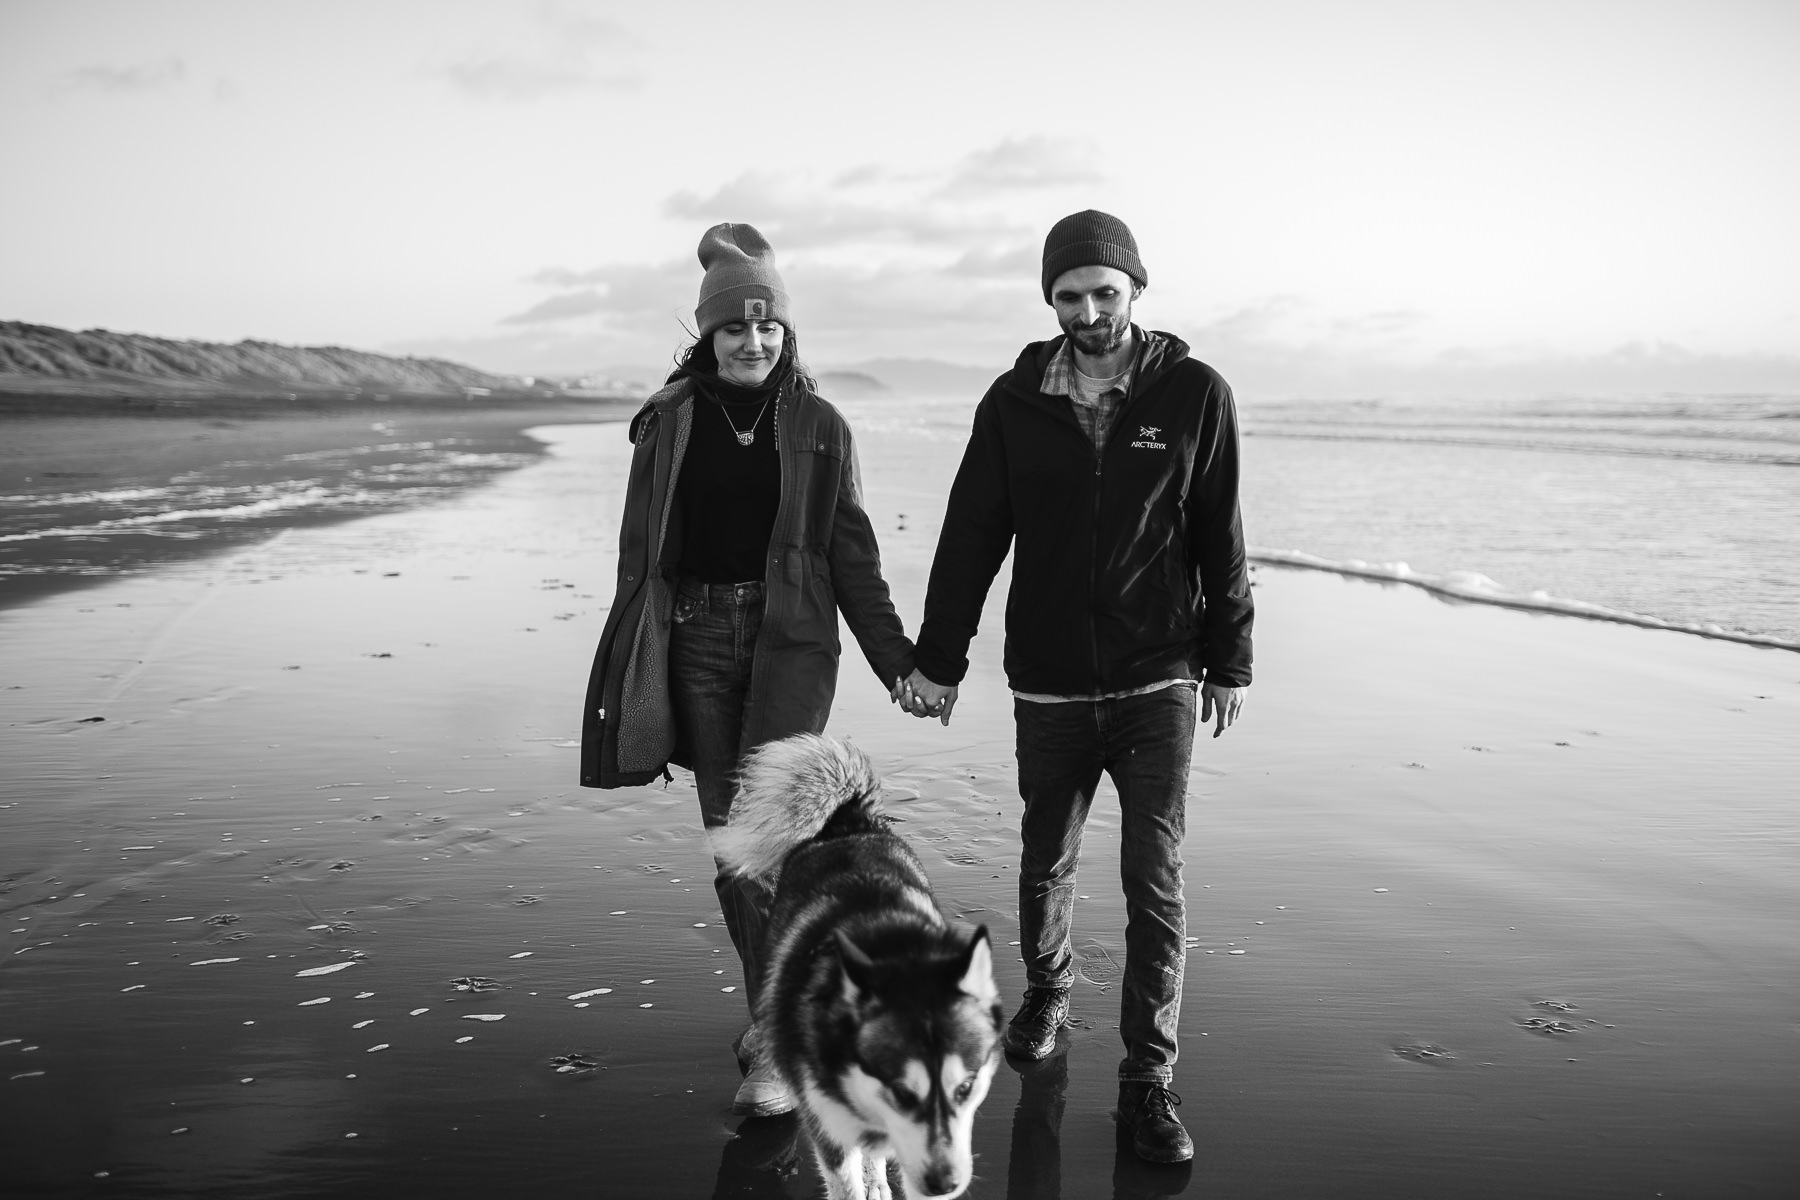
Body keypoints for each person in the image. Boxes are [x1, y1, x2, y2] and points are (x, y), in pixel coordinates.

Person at [896, 210, 1253, 1164]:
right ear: (1049, 300)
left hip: (1157, 675)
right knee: (1045, 856)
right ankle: (1050, 990)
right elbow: (971, 535)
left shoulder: (1194, 393)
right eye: (1068, 297)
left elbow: (1220, 533)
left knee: (1154, 879)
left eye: (1104, 293)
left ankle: (1147, 1084)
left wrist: (1231, 659)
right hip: (1050, 682)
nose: (1089, 313)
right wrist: (939, 659)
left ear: (1136, 288)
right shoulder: (1014, 402)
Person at [581, 222, 915, 1117]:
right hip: (695, 640)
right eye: (735, 327)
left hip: (790, 646)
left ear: (787, 332)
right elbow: (640, 558)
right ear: (709, 333)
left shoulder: (819, 426)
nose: (753, 341)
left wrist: (899, 664)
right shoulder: (671, 421)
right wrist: (631, 658)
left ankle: (782, 1027)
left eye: (768, 326)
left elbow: (853, 557)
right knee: (735, 853)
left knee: (780, 844)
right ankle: (780, 1024)